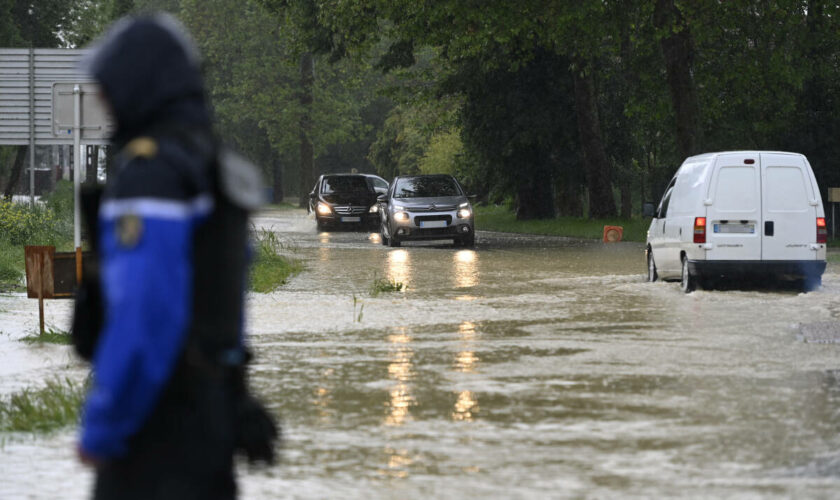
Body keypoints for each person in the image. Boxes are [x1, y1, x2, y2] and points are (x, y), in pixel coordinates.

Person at [73, 13, 276, 500]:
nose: (104, 102)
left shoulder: (152, 176)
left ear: (138, 85)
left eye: (108, 87)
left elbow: (146, 317)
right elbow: (219, 306)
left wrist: (102, 426)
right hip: (212, 418)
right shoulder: (209, 166)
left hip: (157, 429)